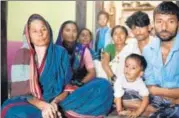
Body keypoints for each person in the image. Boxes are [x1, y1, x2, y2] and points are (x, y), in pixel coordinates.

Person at [1, 14, 113, 118]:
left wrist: (55, 102)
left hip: (62, 100)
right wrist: (44, 105)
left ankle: (56, 112)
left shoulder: (60, 52)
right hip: (33, 102)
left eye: (43, 29)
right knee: (9, 109)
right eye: (35, 31)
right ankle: (53, 113)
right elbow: (21, 93)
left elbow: (67, 85)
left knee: (103, 85)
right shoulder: (22, 54)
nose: (40, 34)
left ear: (49, 30)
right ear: (28, 35)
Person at [55, 20, 113, 117]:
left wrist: (77, 84)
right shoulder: (54, 50)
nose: (71, 34)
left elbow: (92, 72)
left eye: (74, 31)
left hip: (78, 86)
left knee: (104, 84)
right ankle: (69, 106)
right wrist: (65, 89)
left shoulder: (82, 49)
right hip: (58, 87)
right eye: (68, 30)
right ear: (61, 33)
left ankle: (68, 108)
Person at [143, 1, 179, 117]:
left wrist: (158, 91)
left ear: (178, 23)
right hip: (159, 101)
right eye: (159, 21)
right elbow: (150, 87)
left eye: (171, 21)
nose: (164, 27)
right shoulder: (148, 50)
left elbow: (154, 90)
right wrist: (173, 97)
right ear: (153, 23)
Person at [114, 54, 149, 118]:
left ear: (140, 73)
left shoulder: (140, 83)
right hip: (123, 101)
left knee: (145, 104)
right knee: (116, 98)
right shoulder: (120, 79)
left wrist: (137, 112)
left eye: (133, 68)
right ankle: (126, 110)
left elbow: (145, 99)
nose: (128, 69)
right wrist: (119, 110)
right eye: (126, 66)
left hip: (136, 101)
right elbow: (118, 96)